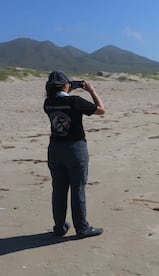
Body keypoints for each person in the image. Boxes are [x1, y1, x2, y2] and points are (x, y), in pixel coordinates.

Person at [43, 71, 105, 239]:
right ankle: (82, 227)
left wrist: (67, 90)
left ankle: (60, 226)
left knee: (59, 189)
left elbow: (61, 101)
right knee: (77, 188)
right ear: (65, 85)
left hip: (55, 149)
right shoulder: (75, 101)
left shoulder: (48, 103)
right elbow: (101, 110)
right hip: (75, 148)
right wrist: (91, 91)